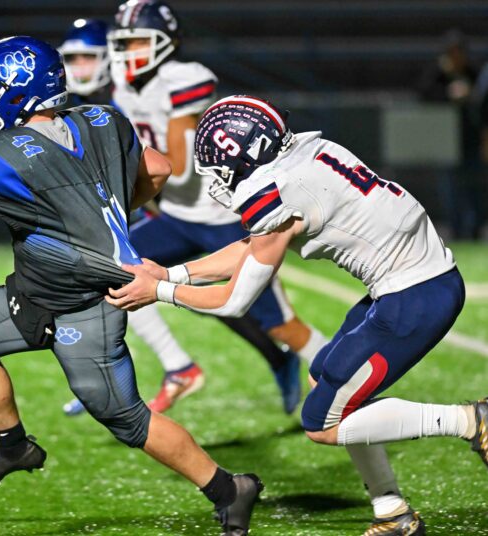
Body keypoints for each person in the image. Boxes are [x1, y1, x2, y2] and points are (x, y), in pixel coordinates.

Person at [0, 37, 262, 536]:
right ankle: (13, 445)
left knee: (126, 419)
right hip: (36, 290)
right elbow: (161, 168)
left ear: (19, 91)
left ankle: (229, 489)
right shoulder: (103, 120)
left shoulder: (0, 157)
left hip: (87, 302)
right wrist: (112, 210)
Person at [107, 94, 488, 535]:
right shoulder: (306, 152)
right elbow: (253, 248)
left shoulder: (276, 192)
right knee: (324, 382)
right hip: (409, 285)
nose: (219, 177)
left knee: (321, 423)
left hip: (415, 295)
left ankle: (469, 421)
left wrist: (159, 291)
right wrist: (172, 272)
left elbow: (233, 301)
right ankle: (392, 512)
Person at [102, 0, 328, 415]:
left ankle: (343, 377)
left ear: (164, 43)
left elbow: (177, 166)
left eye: (138, 41)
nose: (128, 52)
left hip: (224, 218)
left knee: (280, 324)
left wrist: (128, 180)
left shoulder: (185, 78)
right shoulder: (122, 85)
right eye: (124, 42)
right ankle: (178, 367)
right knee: (115, 273)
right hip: (177, 216)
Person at [419, 29, 483, 239]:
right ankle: (456, 229)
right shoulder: (437, 73)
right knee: (450, 188)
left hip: (470, 139)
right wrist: (449, 92)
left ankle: (474, 229)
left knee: (474, 186)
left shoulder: (473, 73)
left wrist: (469, 94)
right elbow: (423, 94)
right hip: (445, 140)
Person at [58, 19, 112, 107]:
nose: (80, 64)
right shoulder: (59, 105)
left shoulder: (123, 99)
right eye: (71, 58)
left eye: (88, 56)